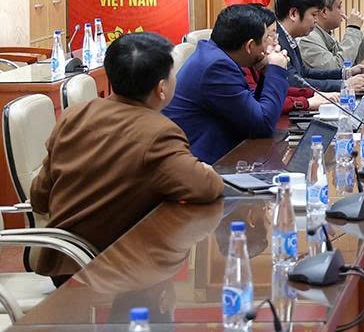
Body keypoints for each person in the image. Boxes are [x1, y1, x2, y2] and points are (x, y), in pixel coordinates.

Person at [30, 32, 224, 279]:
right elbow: (205, 187)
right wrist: (206, 170)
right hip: (111, 269)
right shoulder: (158, 132)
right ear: (161, 88)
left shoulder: (74, 115)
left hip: (62, 261)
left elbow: (39, 196)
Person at [164, 4, 291, 164]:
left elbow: (253, 111)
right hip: (200, 164)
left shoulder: (215, 56)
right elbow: (263, 126)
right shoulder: (216, 67)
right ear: (250, 46)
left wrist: (266, 73)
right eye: (266, 39)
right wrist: (276, 70)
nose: (268, 48)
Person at [274, 0, 364, 93]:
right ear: (293, 13)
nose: (316, 20)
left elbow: (305, 73)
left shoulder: (289, 38)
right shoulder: (276, 42)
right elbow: (296, 83)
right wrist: (344, 85)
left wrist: (346, 73)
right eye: (313, 14)